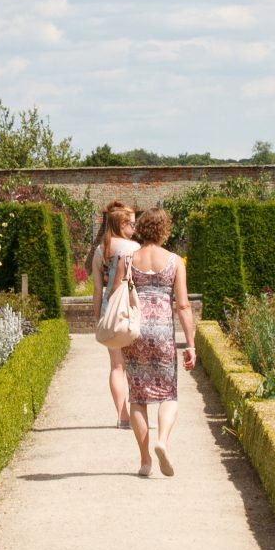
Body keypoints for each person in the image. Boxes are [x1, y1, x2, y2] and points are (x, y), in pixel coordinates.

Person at [119, 206, 196, 477]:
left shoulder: (128, 258)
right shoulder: (175, 261)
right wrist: (190, 344)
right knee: (169, 394)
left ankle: (145, 461)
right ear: (164, 230)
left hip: (135, 333)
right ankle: (162, 441)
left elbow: (117, 295)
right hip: (163, 332)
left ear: (141, 229)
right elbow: (184, 306)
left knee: (138, 397)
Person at [87, 200, 140, 427]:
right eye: (132, 224)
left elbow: (97, 289)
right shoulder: (134, 249)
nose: (135, 228)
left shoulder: (101, 250)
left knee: (116, 366)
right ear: (123, 224)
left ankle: (122, 415)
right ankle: (138, 413)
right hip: (131, 312)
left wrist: (98, 317)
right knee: (136, 365)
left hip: (110, 314)